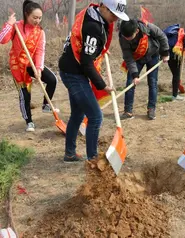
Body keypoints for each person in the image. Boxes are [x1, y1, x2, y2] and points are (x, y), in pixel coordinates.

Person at [58, 0, 129, 163]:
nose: (115, 19)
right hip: (73, 73)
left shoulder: (94, 13)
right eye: (113, 14)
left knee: (77, 113)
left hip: (72, 68)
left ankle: (69, 154)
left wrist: (101, 48)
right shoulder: (93, 26)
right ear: (103, 7)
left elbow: (88, 44)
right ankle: (93, 159)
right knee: (96, 116)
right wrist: (103, 86)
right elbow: (86, 62)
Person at [0, 0, 59, 132]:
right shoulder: (15, 27)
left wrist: (38, 69)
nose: (37, 20)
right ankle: (29, 121)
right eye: (35, 17)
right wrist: (9, 24)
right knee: (25, 95)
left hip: (32, 63)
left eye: (40, 18)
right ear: (27, 14)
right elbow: (2, 39)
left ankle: (46, 105)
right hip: (18, 66)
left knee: (52, 79)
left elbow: (40, 51)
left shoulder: (40, 32)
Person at [119, 19, 169, 120]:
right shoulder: (123, 36)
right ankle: (128, 111)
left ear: (136, 31)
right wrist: (135, 74)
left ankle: (151, 109)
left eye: (129, 37)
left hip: (153, 55)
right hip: (136, 58)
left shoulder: (148, 27)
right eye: (125, 37)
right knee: (130, 82)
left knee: (152, 82)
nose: (127, 39)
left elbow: (162, 36)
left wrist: (165, 53)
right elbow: (128, 57)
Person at [163, 24, 185, 101]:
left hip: (170, 55)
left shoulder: (179, 34)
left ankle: (175, 93)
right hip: (171, 56)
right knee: (176, 74)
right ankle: (175, 95)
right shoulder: (177, 39)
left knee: (176, 74)